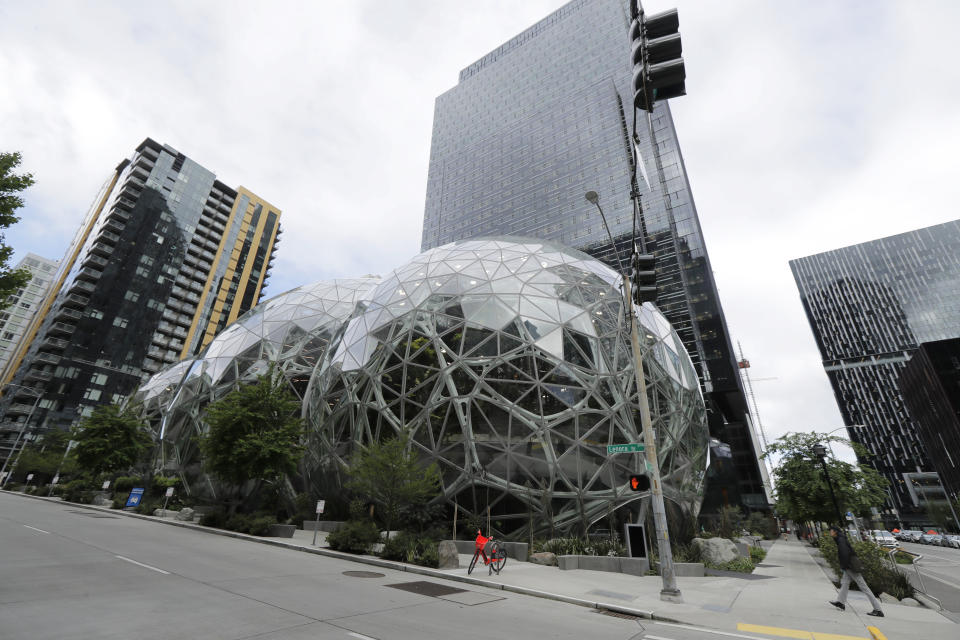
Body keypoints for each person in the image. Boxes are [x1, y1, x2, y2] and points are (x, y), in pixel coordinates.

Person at [828, 526, 884, 617]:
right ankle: (840, 602)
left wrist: (844, 566)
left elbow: (845, 554)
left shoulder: (841, 540)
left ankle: (878, 610)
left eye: (830, 531)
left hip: (850, 566)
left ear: (835, 532)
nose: (830, 533)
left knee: (863, 586)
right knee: (845, 583)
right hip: (849, 566)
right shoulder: (840, 538)